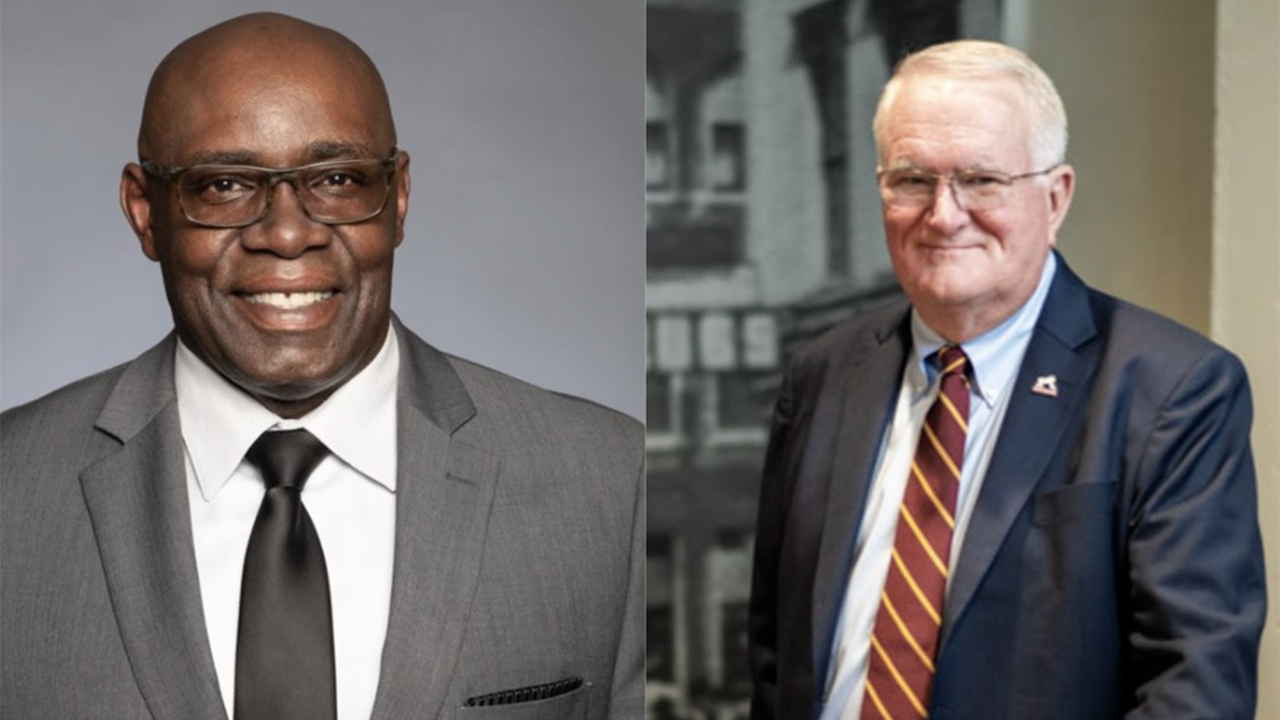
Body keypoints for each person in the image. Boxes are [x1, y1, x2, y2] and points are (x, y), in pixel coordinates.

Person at [0, 13, 643, 720]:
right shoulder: (12, 492)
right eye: (224, 184)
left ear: (397, 197)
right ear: (145, 212)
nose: (286, 233)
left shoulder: (615, 484)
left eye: (337, 179)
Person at [747, 40, 1265, 720]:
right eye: (913, 180)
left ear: (1056, 197)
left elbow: (1197, 689)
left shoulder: (1172, 390)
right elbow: (775, 653)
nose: (943, 214)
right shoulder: (824, 376)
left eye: (982, 180)